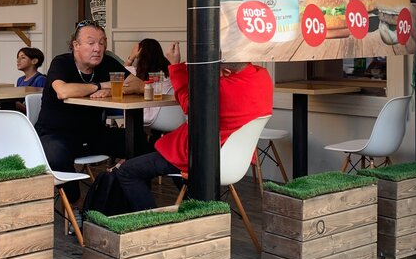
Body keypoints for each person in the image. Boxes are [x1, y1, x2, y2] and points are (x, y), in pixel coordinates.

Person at [115, 44, 274, 211]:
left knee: (126, 171)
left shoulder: (220, 89)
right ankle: (196, 212)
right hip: (236, 160)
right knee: (178, 174)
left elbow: (188, 105)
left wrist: (175, 65)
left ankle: (155, 222)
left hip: (200, 157)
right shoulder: (263, 76)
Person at [36, 21, 127, 205]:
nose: (98, 49)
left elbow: (139, 84)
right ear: (76, 45)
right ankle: (75, 204)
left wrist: (110, 90)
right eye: (91, 43)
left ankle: (118, 192)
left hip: (93, 134)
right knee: (56, 157)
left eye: (102, 43)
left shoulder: (107, 63)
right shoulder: (62, 62)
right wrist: (100, 85)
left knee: (138, 142)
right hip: (55, 134)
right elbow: (63, 91)